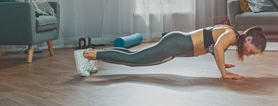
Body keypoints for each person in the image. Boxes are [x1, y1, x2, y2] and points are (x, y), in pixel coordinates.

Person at [74, 25, 266, 80]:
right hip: (175, 44)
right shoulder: (230, 34)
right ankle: (85, 56)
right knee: (134, 60)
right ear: (248, 40)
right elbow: (216, 48)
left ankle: (92, 53)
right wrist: (224, 74)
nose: (249, 54)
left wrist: (222, 64)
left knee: (133, 58)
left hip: (175, 45)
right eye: (252, 51)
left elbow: (212, 47)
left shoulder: (230, 36)